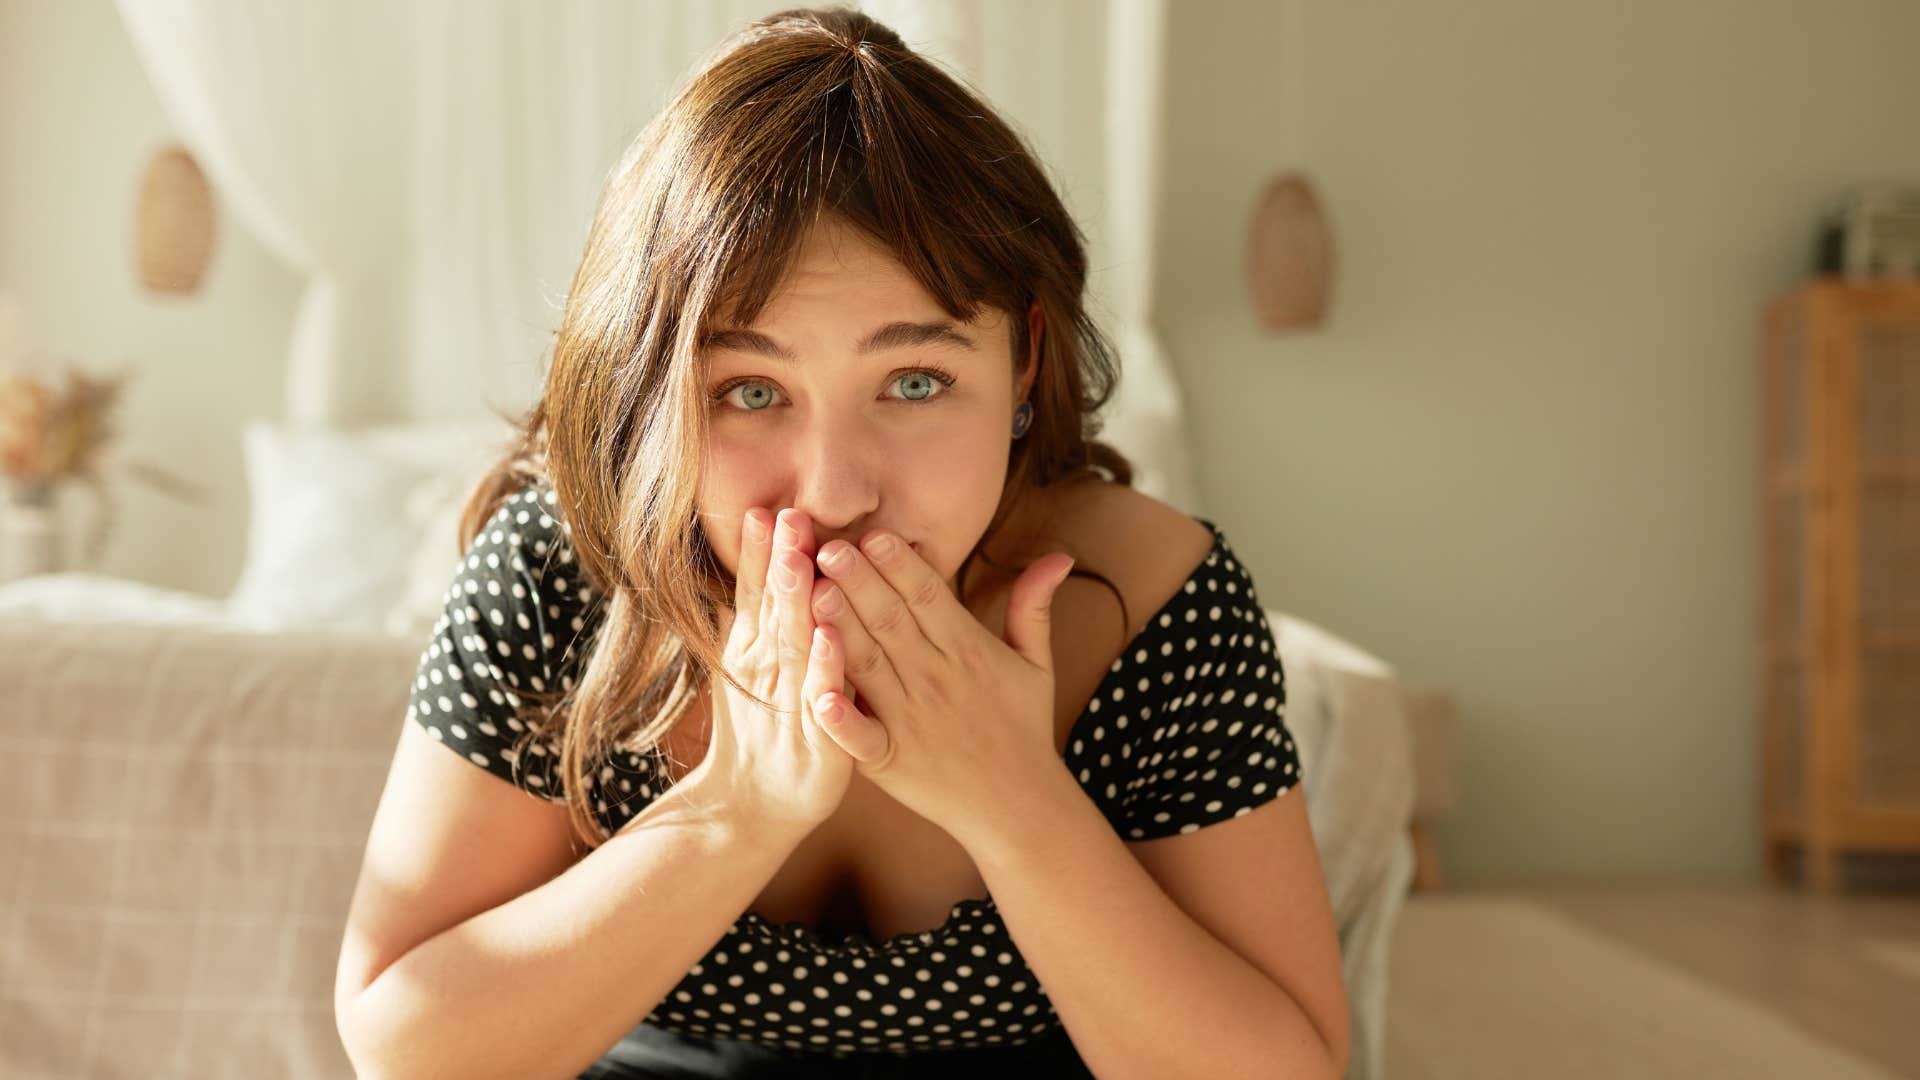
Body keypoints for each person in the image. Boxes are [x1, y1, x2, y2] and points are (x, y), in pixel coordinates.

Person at [333, 7, 1348, 1078]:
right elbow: (409, 1053)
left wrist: (1015, 801)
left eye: (916, 382)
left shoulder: (1153, 604)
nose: (834, 490)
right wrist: (739, 810)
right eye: (751, 390)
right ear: (648, 391)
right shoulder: (563, 576)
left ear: (1023, 365)